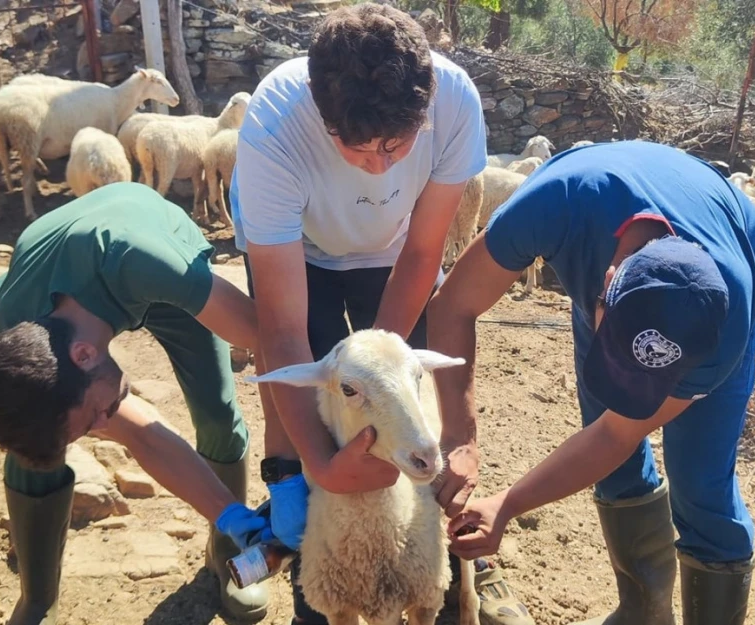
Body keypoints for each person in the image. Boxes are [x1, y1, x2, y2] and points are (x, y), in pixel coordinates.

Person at [228, 3, 533, 625]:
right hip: (298, 253)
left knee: (404, 401)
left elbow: (425, 250)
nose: (382, 165)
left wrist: (386, 373)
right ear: (322, 114)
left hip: (394, 254)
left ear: (423, 110)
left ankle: (456, 571)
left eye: (398, 144)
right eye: (358, 147)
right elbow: (282, 329)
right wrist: (319, 464)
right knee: (310, 405)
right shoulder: (274, 128)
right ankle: (306, 549)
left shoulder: (453, 103)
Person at [429, 140, 755, 625]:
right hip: (604, 209)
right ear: (605, 283)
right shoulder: (554, 205)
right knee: (614, 451)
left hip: (728, 243)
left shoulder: (721, 328)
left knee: (702, 483)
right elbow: (452, 305)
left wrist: (508, 503)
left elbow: (617, 432)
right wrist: (460, 436)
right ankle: (642, 612)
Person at [0, 182, 274, 625]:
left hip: (148, 254)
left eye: (92, 419)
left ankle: (226, 554)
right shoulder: (16, 334)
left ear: (84, 355)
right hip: (78, 266)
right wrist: (233, 514)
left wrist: (295, 466)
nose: (105, 428)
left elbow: (268, 337)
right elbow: (138, 435)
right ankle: (37, 599)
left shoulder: (146, 262)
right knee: (32, 452)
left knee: (216, 411)